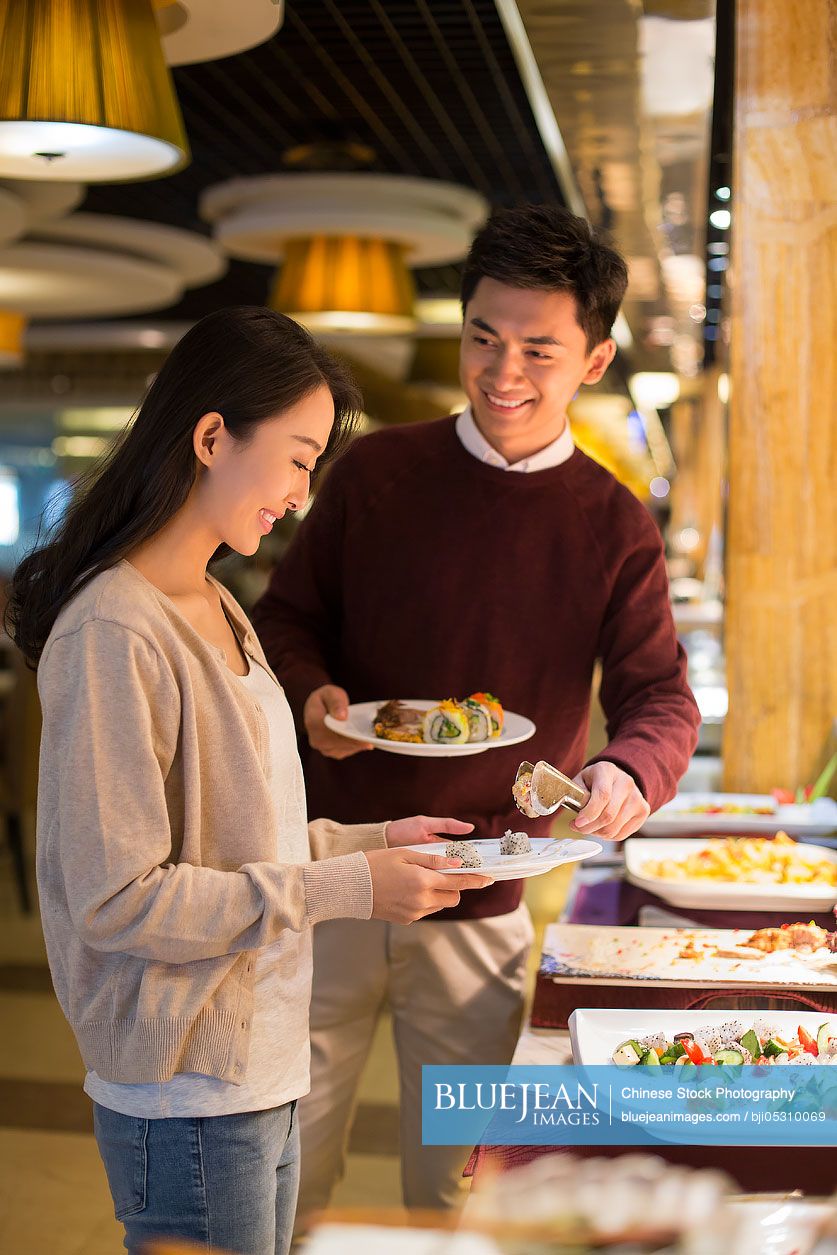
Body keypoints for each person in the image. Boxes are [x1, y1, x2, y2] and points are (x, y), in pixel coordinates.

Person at [5, 307, 491, 1255]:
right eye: (301, 458)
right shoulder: (116, 630)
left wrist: (374, 842)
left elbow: (242, 848)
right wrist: (349, 886)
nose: (303, 497)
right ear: (212, 436)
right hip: (183, 1086)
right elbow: (119, 900)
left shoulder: (220, 602)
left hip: (260, 1064)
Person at [252, 205, 702, 1215]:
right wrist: (310, 691)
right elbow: (285, 620)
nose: (503, 372)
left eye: (539, 348)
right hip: (335, 873)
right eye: (482, 338)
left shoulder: (613, 522)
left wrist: (631, 768)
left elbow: (658, 691)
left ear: (594, 359)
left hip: (485, 886)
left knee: (457, 1190)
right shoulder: (374, 472)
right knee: (281, 1169)